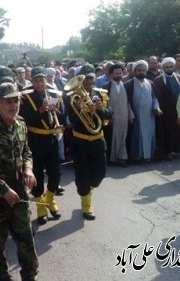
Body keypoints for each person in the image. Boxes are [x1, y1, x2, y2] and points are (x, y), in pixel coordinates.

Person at [0, 82, 39, 281]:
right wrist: (4, 190)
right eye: (8, 101)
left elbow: (26, 151)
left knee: (26, 239)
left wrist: (28, 169)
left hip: (19, 193)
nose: (13, 105)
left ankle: (29, 275)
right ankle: (2, 276)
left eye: (16, 100)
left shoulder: (21, 123)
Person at [65, 64, 112, 220]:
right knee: (82, 176)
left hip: (98, 140)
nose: (88, 81)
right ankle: (86, 204)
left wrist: (99, 109)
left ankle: (88, 191)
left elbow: (109, 115)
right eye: (85, 78)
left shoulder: (101, 95)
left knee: (100, 174)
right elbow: (72, 121)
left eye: (91, 78)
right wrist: (77, 110)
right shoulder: (72, 97)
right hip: (80, 141)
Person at [20, 66, 62, 225]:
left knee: (55, 174)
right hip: (35, 140)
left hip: (51, 138)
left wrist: (55, 111)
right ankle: (41, 208)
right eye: (36, 80)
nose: (39, 83)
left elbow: (62, 116)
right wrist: (41, 109)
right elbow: (25, 119)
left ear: (46, 79)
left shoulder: (53, 94)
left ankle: (50, 200)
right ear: (32, 81)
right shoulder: (25, 97)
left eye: (41, 79)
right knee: (37, 176)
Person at [125, 60, 163, 161]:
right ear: (134, 71)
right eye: (139, 70)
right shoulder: (129, 84)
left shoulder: (150, 83)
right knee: (137, 135)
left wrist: (156, 107)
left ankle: (149, 155)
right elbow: (127, 102)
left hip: (149, 115)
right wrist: (130, 114)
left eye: (143, 70)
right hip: (135, 115)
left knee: (149, 135)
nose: (141, 72)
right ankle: (137, 156)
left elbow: (155, 98)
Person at [102, 63, 134, 166]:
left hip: (124, 117)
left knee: (123, 137)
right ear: (111, 75)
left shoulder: (125, 86)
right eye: (116, 73)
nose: (119, 75)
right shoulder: (106, 87)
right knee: (112, 138)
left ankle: (122, 158)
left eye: (120, 73)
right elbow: (104, 104)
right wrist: (107, 117)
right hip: (112, 118)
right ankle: (112, 159)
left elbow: (128, 102)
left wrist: (131, 115)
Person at [153, 57, 180, 161]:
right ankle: (168, 152)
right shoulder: (158, 80)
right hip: (165, 111)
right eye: (167, 67)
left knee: (178, 131)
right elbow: (156, 96)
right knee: (167, 132)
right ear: (163, 67)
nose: (169, 69)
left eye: (171, 67)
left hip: (178, 110)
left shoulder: (179, 78)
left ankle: (177, 150)